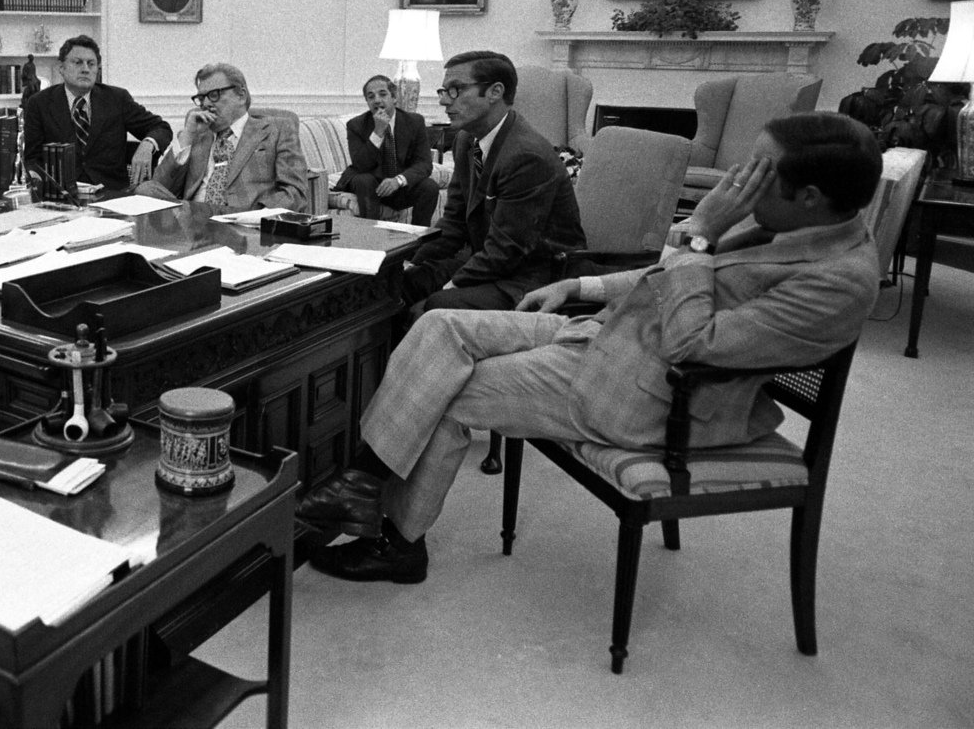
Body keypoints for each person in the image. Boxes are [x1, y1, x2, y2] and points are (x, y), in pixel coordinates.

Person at [297, 112, 884, 583]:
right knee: (441, 324)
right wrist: (582, 286)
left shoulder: (836, 281)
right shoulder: (787, 223)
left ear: (808, 196)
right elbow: (674, 276)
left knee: (448, 390)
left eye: (757, 169)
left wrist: (700, 231)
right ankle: (363, 479)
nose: (737, 178)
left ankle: (398, 544)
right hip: (610, 337)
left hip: (650, 394)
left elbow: (692, 341)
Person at [403, 51, 584, 314]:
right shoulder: (468, 141)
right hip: (493, 264)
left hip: (534, 277)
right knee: (401, 283)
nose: (443, 100)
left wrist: (452, 285)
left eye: (455, 90)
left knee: (439, 305)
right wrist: (411, 262)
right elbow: (454, 223)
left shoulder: (526, 156)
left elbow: (508, 249)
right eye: (444, 90)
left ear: (495, 92)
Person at [136, 62, 310, 213]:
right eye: (201, 98)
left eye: (214, 95)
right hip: (192, 221)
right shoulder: (198, 134)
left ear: (241, 95)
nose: (206, 104)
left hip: (243, 225)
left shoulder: (277, 129)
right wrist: (187, 136)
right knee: (146, 189)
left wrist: (255, 217)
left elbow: (295, 191)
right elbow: (161, 189)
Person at [22, 35, 171, 192]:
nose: (85, 69)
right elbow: (32, 158)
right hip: (62, 196)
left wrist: (147, 145)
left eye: (91, 64)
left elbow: (161, 128)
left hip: (112, 195)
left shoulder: (117, 99)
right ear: (62, 68)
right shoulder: (40, 103)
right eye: (77, 62)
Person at [333, 74, 441, 227]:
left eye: (382, 94)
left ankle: (418, 238)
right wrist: (378, 132)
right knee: (364, 180)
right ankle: (370, 236)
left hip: (397, 184)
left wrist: (398, 181)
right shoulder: (356, 125)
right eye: (371, 97)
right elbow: (361, 165)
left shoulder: (414, 122)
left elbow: (424, 164)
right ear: (367, 102)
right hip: (369, 184)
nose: (377, 100)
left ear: (394, 97)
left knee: (429, 187)